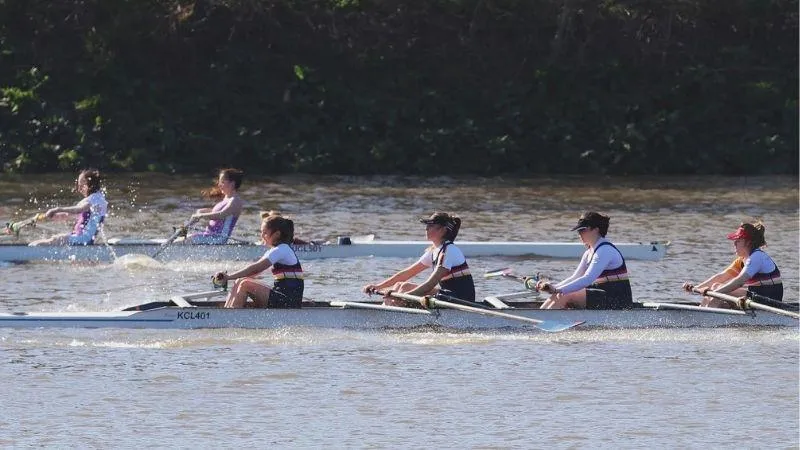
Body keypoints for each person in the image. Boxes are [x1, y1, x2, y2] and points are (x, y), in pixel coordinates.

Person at [362, 212, 475, 307]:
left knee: (404, 288)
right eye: (427, 225)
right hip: (448, 295)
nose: (426, 228)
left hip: (462, 301)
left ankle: (392, 314)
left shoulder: (449, 251)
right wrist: (378, 286)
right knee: (399, 285)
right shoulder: (433, 251)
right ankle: (388, 311)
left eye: (431, 226)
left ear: (443, 230)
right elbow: (406, 273)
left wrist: (404, 297)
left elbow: (430, 284)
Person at [536, 212, 633, 310]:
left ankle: (542, 321)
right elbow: (575, 277)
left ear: (596, 230)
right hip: (602, 294)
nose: (579, 234)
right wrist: (553, 287)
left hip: (618, 301)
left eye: (582, 230)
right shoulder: (589, 253)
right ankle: (538, 318)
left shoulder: (605, 250)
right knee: (558, 295)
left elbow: (587, 279)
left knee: (564, 294)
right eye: (578, 231)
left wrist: (559, 290)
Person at [213, 214, 304, 308]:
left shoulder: (281, 250)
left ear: (277, 234)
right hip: (282, 298)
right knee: (239, 281)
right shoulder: (277, 250)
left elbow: (255, 268)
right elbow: (253, 273)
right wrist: (230, 277)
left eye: (265, 233)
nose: (262, 236)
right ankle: (227, 311)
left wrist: (228, 277)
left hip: (288, 302)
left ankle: (229, 317)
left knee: (245, 284)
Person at [683, 222, 782, 307]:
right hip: (755, 296)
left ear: (748, 242)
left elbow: (739, 281)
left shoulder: (757, 257)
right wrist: (697, 288)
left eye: (738, 241)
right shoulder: (741, 260)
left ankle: (706, 318)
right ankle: (703, 310)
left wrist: (715, 293)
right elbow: (721, 277)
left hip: (770, 300)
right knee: (716, 286)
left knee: (717, 290)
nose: (734, 243)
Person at [29, 169, 108, 246]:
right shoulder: (91, 199)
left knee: (55, 240)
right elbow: (67, 215)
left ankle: (28, 252)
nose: (79, 189)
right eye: (78, 185)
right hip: (79, 237)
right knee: (53, 239)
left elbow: (79, 210)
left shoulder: (96, 198)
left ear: (91, 184)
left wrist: (57, 209)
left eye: (81, 185)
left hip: (84, 239)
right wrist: (47, 216)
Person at [186, 168, 244, 244]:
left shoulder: (235, 201)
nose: (219, 185)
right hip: (209, 236)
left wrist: (201, 215)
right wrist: (201, 212)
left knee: (189, 238)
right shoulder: (227, 198)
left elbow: (221, 215)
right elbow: (216, 212)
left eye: (222, 182)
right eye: (220, 182)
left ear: (232, 183)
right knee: (186, 237)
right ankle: (184, 229)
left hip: (219, 239)